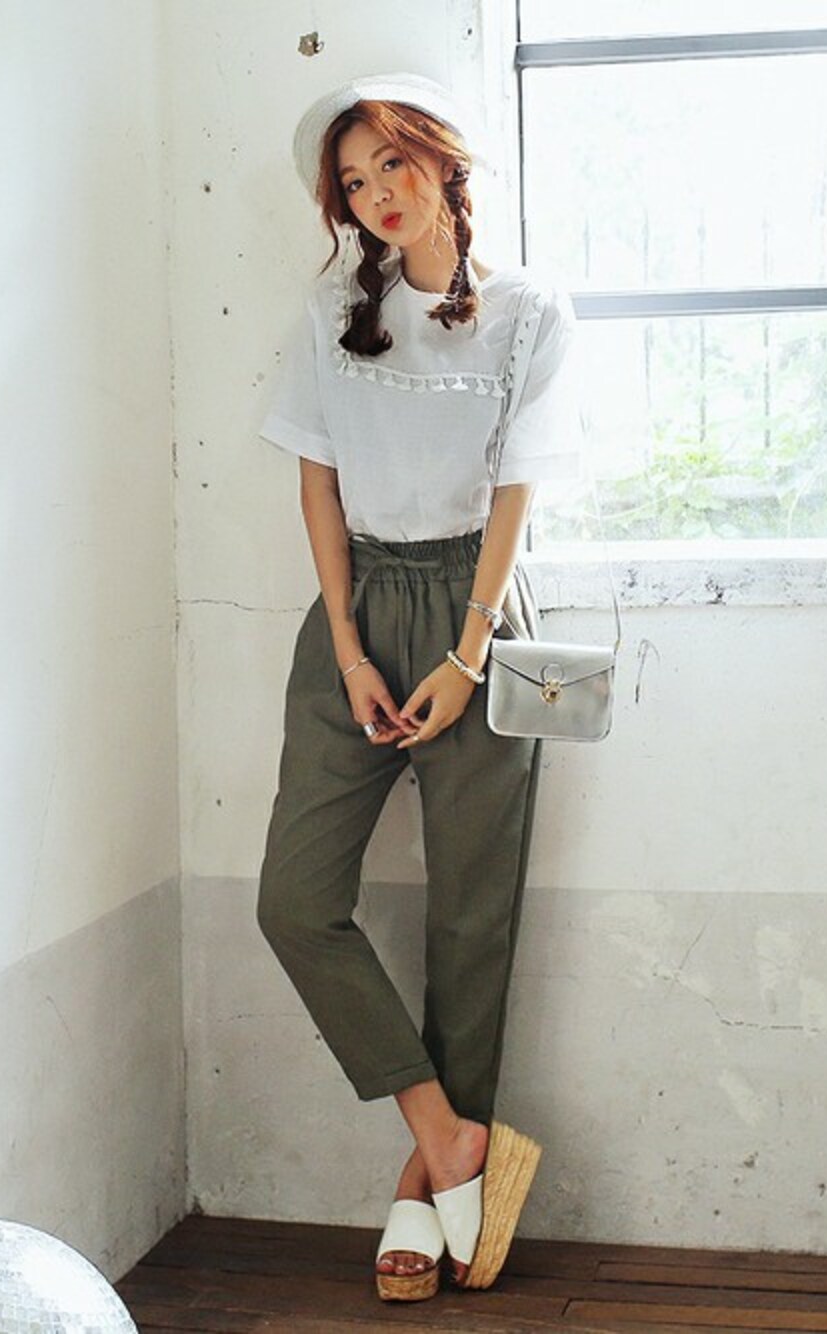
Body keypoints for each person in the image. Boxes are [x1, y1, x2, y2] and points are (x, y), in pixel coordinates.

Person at [255, 71, 583, 1302]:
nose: (376, 194)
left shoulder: (528, 309)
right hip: (357, 611)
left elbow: (516, 489)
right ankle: (447, 1133)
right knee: (295, 900)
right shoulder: (333, 308)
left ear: (444, 161)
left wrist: (466, 650)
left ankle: (420, 1186)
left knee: (469, 918)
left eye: (391, 163)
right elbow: (318, 483)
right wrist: (348, 649)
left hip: (477, 613)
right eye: (352, 182)